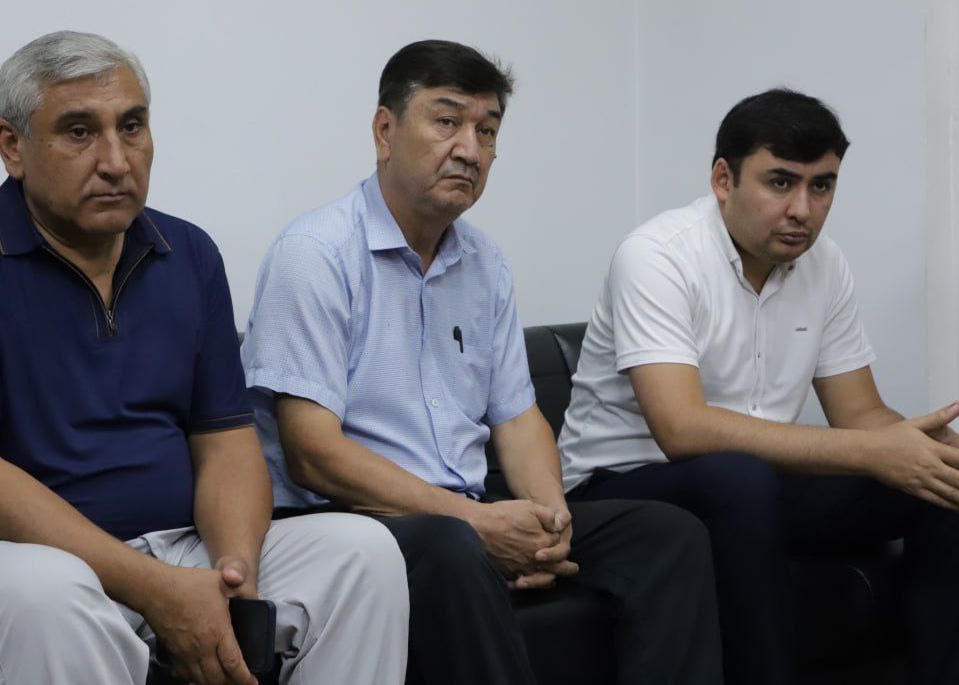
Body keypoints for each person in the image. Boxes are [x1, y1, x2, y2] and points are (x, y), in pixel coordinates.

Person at [0, 30, 409, 685]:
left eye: (131, 127)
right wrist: (154, 589)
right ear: (13, 146)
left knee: (361, 553)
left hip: (172, 546)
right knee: (50, 594)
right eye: (78, 132)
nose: (116, 161)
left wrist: (233, 580)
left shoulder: (189, 255)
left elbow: (227, 448)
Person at [241, 39, 722, 685]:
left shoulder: (485, 262)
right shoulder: (315, 253)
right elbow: (313, 454)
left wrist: (551, 523)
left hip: (464, 511)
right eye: (447, 122)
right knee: (454, 547)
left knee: (667, 535)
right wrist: (475, 522)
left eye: (487, 131)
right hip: (351, 522)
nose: (469, 149)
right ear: (384, 131)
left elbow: (518, 421)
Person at [558, 87, 959, 684]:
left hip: (755, 485)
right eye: (780, 183)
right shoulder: (656, 256)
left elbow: (861, 413)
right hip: (620, 486)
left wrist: (917, 446)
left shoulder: (825, 264)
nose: (803, 209)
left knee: (950, 489)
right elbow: (682, 430)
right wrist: (871, 451)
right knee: (737, 477)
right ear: (723, 180)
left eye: (821, 186)